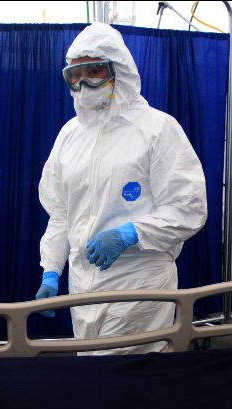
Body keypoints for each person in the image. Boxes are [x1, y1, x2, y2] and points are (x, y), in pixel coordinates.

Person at [35, 23, 207, 355]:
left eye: (95, 71)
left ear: (119, 71)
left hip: (139, 282)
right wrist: (51, 270)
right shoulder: (70, 135)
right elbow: (60, 213)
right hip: (83, 287)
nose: (84, 83)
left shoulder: (157, 129)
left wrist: (130, 233)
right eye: (76, 74)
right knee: (94, 376)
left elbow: (188, 209)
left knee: (131, 380)